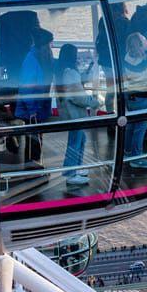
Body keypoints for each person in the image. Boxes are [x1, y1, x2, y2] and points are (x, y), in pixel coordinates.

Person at [57, 43, 97, 188]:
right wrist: (94, 103)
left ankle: (76, 168)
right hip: (75, 114)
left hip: (69, 113)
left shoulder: (63, 71)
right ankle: (71, 173)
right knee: (75, 141)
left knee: (80, 139)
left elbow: (77, 85)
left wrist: (91, 66)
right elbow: (78, 97)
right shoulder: (71, 73)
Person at [14, 28, 53, 165]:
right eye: (49, 44)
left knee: (36, 139)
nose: (51, 48)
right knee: (33, 141)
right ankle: (32, 168)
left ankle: (34, 167)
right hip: (33, 108)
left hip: (36, 107)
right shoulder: (32, 61)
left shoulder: (37, 57)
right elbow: (27, 88)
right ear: (43, 45)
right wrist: (32, 110)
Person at [121, 32, 147, 170]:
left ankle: (127, 153)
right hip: (142, 98)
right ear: (139, 44)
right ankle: (136, 158)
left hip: (129, 96)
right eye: (144, 39)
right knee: (140, 128)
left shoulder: (127, 57)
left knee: (131, 126)